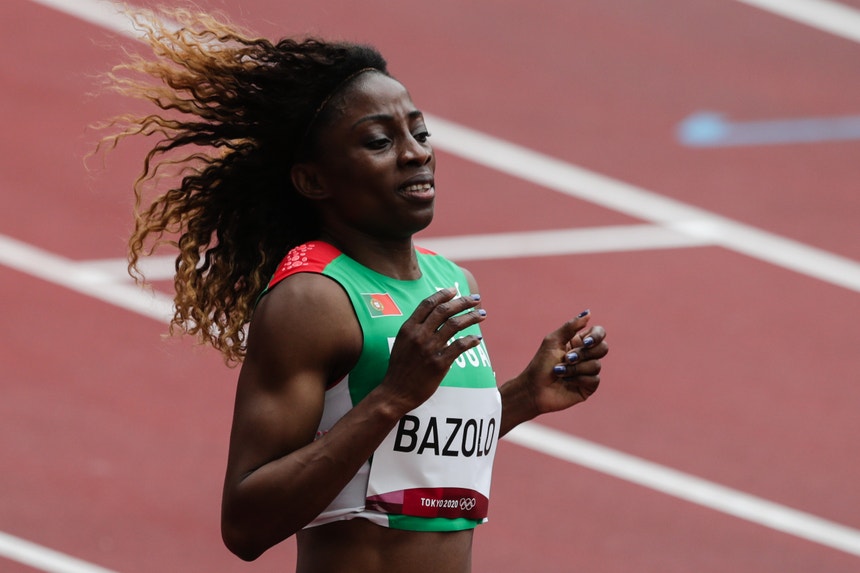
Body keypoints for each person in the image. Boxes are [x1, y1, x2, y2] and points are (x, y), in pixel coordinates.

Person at [106, 8, 608, 573]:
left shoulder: (453, 281)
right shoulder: (313, 300)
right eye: (379, 141)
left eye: (419, 132)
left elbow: (412, 465)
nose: (416, 152)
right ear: (313, 179)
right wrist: (390, 397)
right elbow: (245, 524)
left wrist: (519, 398)